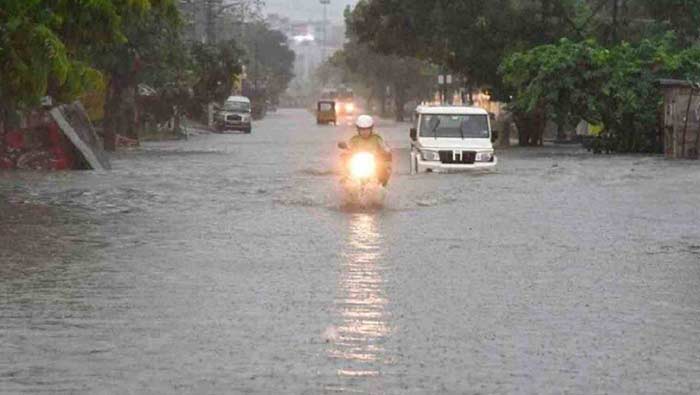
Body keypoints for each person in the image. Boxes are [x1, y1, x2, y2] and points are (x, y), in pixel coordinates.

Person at [347, 115, 392, 186]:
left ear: (371, 129)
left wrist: (386, 152)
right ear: (358, 129)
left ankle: (381, 186)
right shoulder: (354, 139)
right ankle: (347, 188)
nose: (364, 132)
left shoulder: (377, 138)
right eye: (362, 129)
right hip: (358, 163)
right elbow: (348, 148)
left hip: (374, 163)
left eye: (367, 129)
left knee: (384, 170)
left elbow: (385, 147)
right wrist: (347, 152)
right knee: (345, 172)